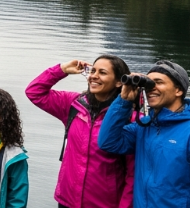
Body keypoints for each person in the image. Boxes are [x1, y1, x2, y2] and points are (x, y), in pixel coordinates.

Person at [98, 60, 190, 208]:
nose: (150, 89)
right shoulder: (145, 127)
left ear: (178, 90)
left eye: (158, 82)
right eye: (148, 83)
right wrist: (124, 101)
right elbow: (108, 141)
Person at [25, 55, 134, 208]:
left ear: (118, 81)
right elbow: (34, 92)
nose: (93, 76)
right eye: (93, 71)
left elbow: (132, 173)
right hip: (67, 200)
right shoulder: (73, 104)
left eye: (102, 72)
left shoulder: (130, 118)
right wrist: (62, 70)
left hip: (104, 204)